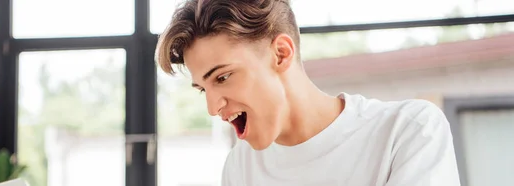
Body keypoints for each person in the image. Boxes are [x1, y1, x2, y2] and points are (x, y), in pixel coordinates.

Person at [155, 0, 461, 185]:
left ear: (281, 54)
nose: (212, 107)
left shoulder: (408, 131)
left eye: (222, 77)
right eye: (202, 89)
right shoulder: (241, 166)